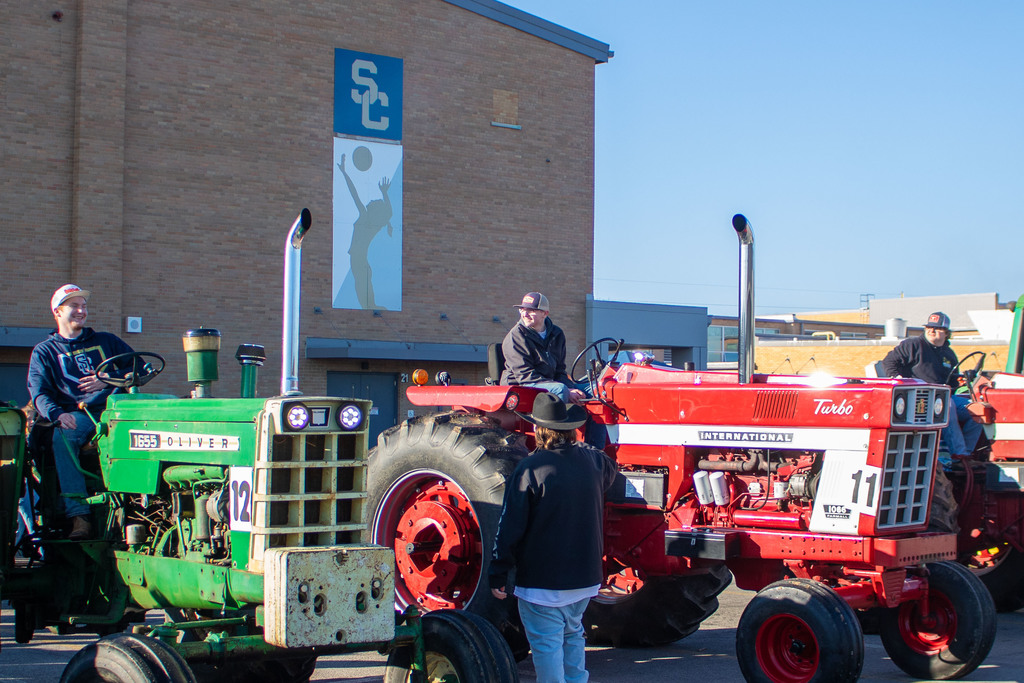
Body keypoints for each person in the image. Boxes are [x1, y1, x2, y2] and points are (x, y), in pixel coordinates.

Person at [489, 393, 618, 683]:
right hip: (585, 580)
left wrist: (498, 572)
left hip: (542, 583)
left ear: (539, 429)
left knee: (547, 646)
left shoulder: (530, 469)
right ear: (571, 428)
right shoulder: (593, 462)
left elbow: (510, 527)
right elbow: (610, 469)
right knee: (573, 636)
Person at [27, 284, 134, 539]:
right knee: (63, 436)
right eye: (74, 306)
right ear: (57, 311)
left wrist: (109, 379)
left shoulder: (107, 341)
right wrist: (56, 415)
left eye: (83, 306)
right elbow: (39, 392)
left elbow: (139, 368)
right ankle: (79, 516)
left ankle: (138, 504)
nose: (81, 311)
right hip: (79, 416)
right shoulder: (45, 351)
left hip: (116, 408)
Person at [882, 311, 982, 458]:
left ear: (946, 333)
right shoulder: (913, 345)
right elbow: (889, 362)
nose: (931, 330)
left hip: (944, 396)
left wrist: (963, 379)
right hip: (920, 398)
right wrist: (900, 380)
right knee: (947, 406)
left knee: (979, 409)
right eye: (929, 327)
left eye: (937, 328)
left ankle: (968, 452)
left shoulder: (948, 354)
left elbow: (953, 383)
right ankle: (959, 455)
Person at [501, 292, 585, 404]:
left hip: (549, 383)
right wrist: (567, 391)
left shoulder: (557, 334)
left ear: (545, 313)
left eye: (531, 310)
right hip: (521, 385)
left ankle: (591, 421)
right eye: (522, 309)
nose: (524, 314)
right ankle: (555, 421)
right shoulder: (515, 337)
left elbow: (560, 371)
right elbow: (525, 375)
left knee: (593, 390)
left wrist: (573, 389)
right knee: (560, 390)